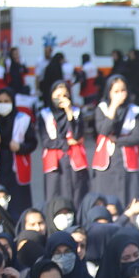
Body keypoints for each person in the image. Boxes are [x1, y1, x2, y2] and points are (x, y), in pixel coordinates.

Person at [0, 88, 37, 221]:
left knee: (18, 207)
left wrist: (20, 147)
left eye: (6, 101)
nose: (3, 104)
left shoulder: (23, 119)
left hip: (16, 170)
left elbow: (33, 143)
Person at [92, 74, 139, 204]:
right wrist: (113, 107)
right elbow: (103, 131)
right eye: (116, 91)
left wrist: (117, 140)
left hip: (127, 157)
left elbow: (136, 137)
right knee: (108, 198)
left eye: (123, 90)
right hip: (107, 159)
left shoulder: (135, 110)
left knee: (129, 196)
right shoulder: (102, 108)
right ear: (109, 92)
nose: (120, 94)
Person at [39, 81, 90, 210]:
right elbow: (46, 141)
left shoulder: (76, 112)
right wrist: (66, 143)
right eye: (58, 95)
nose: (61, 99)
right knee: (54, 195)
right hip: (54, 162)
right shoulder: (45, 114)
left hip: (74, 160)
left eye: (65, 95)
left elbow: (77, 135)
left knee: (76, 195)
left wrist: (69, 112)